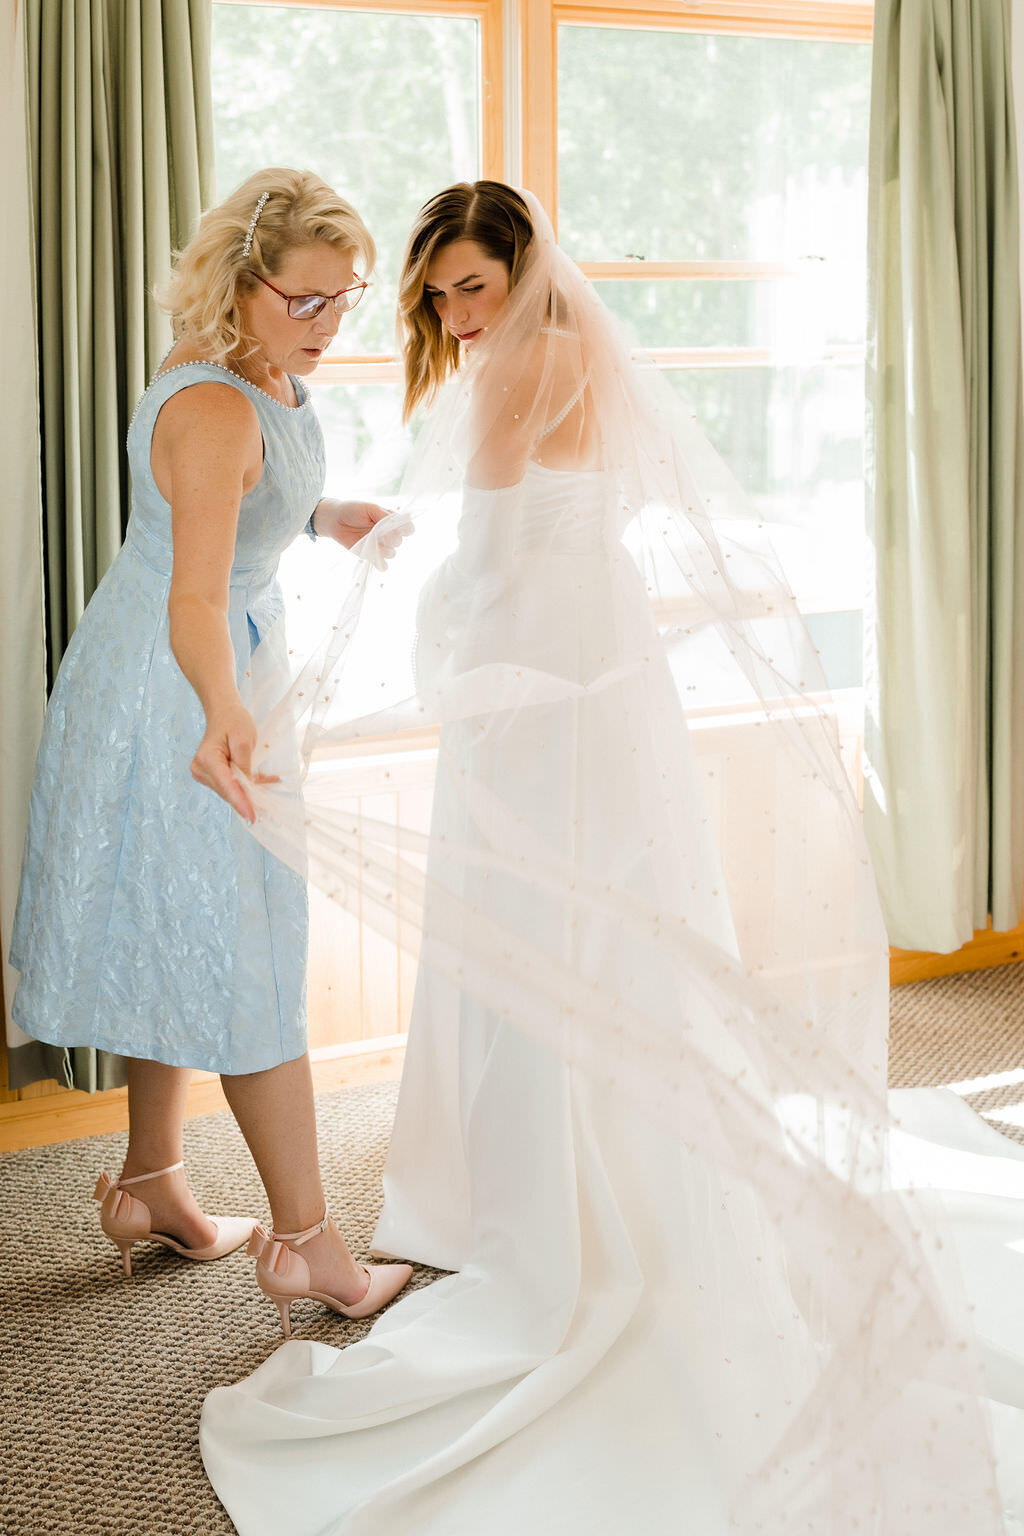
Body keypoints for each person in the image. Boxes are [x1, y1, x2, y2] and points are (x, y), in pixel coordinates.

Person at [201, 183, 1024, 1533]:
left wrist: (429, 662)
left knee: (535, 909)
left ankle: (552, 1195)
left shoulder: (523, 363)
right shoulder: (557, 351)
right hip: (586, 645)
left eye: (474, 286)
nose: (459, 315)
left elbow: (485, 546)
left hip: (541, 660)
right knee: (585, 906)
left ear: (522, 270)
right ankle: (550, 1162)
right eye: (442, 294)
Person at [9, 168, 411, 1324]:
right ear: (242, 286)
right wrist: (222, 707)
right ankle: (306, 1245)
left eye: (347, 298)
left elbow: (242, 514)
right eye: (307, 299)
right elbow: (194, 595)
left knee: (178, 930)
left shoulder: (266, 375)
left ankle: (151, 1185)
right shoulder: (216, 405)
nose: (331, 323)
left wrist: (327, 518)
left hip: (201, 671)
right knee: (241, 955)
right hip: (177, 687)